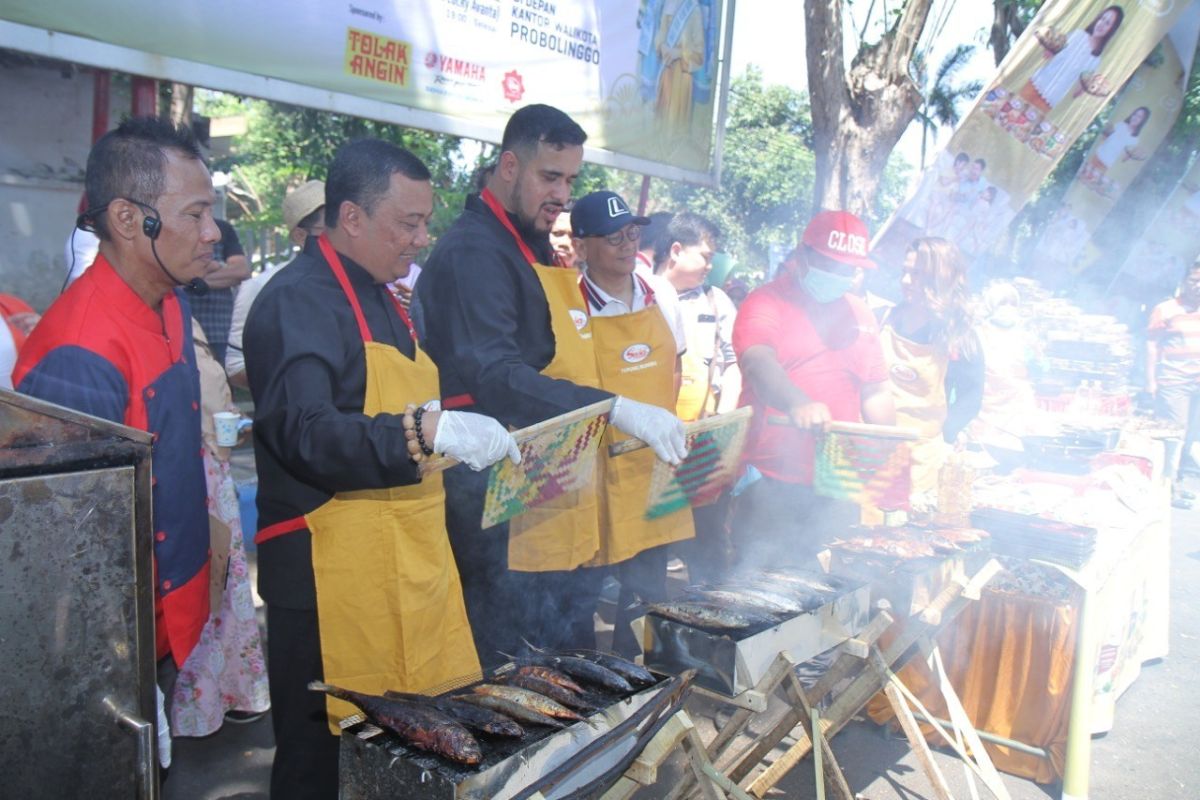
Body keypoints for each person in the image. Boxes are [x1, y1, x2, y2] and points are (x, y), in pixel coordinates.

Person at [244, 138, 521, 799]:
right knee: (318, 766)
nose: (422, 239)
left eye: (427, 221)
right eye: (409, 222)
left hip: (401, 565)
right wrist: (426, 430)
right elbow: (303, 431)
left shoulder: (388, 300)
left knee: (398, 754)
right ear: (351, 217)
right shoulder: (297, 302)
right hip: (324, 579)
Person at [417, 104, 686, 663]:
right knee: (516, 664)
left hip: (543, 480)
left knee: (566, 647)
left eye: (571, 179)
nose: (563, 195)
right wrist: (613, 407)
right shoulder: (475, 252)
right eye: (550, 176)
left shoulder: (530, 244)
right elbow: (495, 376)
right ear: (509, 166)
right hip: (488, 489)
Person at [13, 116, 217, 736]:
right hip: (115, 640)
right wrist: (105, 670)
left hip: (164, 622)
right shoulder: (81, 353)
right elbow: (63, 554)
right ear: (131, 220)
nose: (212, 233)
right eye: (196, 214)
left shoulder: (170, 300)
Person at [731, 210, 895, 569]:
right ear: (803, 257)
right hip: (771, 481)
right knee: (758, 588)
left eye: (848, 270)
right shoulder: (766, 301)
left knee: (828, 589)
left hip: (838, 484)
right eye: (830, 265)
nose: (839, 277)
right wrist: (797, 402)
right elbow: (758, 362)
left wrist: (888, 451)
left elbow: (876, 390)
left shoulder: (861, 315)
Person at [571, 190, 692, 657]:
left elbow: (675, 366)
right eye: (611, 236)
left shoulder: (660, 293)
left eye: (631, 233)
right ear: (581, 246)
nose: (626, 244)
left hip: (650, 469)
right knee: (581, 595)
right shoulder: (569, 303)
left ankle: (641, 685)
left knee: (645, 597)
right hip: (592, 477)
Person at [171, 317, 269, 736]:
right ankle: (198, 703)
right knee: (200, 591)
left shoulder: (179, 316)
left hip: (213, 464)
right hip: (190, 474)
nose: (209, 245)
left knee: (221, 587)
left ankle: (230, 692)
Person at [654, 211, 739, 584]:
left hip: (703, 446)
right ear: (676, 250)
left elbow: (734, 364)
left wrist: (724, 422)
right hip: (651, 448)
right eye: (706, 255)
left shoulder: (717, 302)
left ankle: (713, 628)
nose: (711, 264)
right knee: (648, 555)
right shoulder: (640, 294)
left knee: (708, 548)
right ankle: (637, 634)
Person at [878, 238, 984, 505]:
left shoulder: (958, 336)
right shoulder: (880, 319)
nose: (905, 280)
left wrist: (944, 438)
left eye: (917, 274)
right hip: (869, 453)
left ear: (941, 278)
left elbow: (972, 397)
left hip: (921, 461)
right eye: (904, 271)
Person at [225, 179, 326, 386]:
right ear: (300, 236)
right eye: (330, 228)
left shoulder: (366, 284)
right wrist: (292, 383)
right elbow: (235, 366)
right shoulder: (261, 287)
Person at [1147, 261, 1200, 504]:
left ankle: (1176, 481)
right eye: (1193, 281)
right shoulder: (1166, 309)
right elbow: (1151, 344)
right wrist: (1151, 380)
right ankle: (1166, 488)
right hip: (1174, 381)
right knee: (1174, 435)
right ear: (1184, 282)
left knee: (1191, 435)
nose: (1198, 286)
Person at [1020, 6, 1124, 113]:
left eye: (1107, 23)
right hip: (1036, 82)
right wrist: (1049, 51)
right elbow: (1054, 51)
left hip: (1050, 99)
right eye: (1102, 19)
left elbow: (1080, 87)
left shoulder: (1095, 60)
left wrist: (1081, 91)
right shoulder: (1078, 35)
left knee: (1022, 126)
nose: (1102, 24)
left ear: (1111, 30)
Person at [189, 218, 250, 366]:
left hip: (220, 330)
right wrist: (216, 268)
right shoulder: (176, 225)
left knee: (222, 384)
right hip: (184, 330)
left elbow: (241, 271)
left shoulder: (222, 228)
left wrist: (191, 282)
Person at [654, 0, 705, 131]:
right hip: (666, 73)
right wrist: (662, 47)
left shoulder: (693, 9)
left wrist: (679, 53)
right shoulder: (667, 4)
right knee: (660, 128)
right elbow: (660, 37)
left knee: (675, 130)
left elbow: (699, 54)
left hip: (682, 78)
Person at [1081, 106, 1149, 186]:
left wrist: (1130, 157)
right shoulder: (1120, 125)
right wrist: (1106, 130)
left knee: (1088, 182)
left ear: (1142, 121)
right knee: (1082, 176)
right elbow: (1104, 137)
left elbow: (1123, 159)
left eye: (1139, 117)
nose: (1135, 118)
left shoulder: (1134, 140)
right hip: (1097, 155)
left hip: (1106, 164)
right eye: (1135, 114)